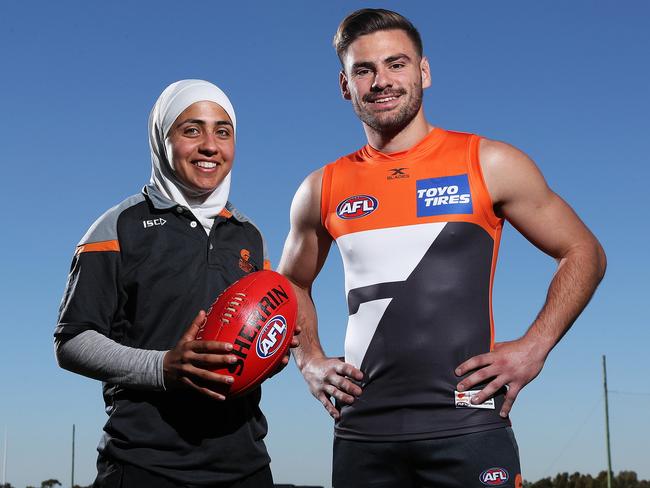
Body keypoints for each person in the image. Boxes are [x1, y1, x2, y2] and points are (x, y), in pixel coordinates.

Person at [278, 9, 606, 488]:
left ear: (424, 72)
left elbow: (584, 251)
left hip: (469, 428)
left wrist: (534, 347)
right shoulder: (322, 187)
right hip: (363, 433)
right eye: (363, 70)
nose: (381, 81)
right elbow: (290, 283)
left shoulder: (489, 162)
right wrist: (308, 360)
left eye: (396, 64)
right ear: (345, 86)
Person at [55, 80, 290, 487]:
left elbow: (245, 342)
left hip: (245, 464)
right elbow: (72, 341)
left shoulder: (249, 235)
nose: (210, 146)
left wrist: (269, 354)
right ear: (162, 139)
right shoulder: (117, 227)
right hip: (144, 462)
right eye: (191, 130)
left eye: (223, 131)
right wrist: (163, 367)